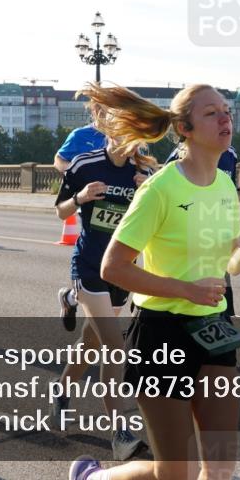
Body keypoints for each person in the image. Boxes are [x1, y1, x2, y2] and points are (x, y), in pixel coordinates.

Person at [69, 83, 240, 480]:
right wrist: (186, 289)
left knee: (220, 471)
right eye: (211, 112)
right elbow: (113, 268)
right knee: (177, 474)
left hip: (214, 329)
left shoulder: (225, 187)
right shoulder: (160, 189)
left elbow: (230, 268)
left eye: (226, 110)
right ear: (185, 128)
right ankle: (93, 478)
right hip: (162, 333)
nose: (225, 117)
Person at [55, 102, 153, 460]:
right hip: (90, 267)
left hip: (121, 270)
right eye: (121, 133)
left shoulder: (144, 171)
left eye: (133, 136)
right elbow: (61, 209)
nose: (126, 142)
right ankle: (120, 433)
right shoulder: (85, 164)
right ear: (109, 132)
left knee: (91, 343)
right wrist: (80, 197)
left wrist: (147, 192)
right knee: (114, 344)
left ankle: (62, 389)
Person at [164, 143, 240, 318]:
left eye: (228, 115)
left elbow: (226, 202)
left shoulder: (230, 154)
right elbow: (167, 195)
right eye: (212, 114)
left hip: (218, 239)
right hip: (189, 241)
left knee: (220, 306)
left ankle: (222, 322)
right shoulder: (182, 153)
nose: (225, 121)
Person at [54, 103, 107, 172]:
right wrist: (77, 172)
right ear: (94, 110)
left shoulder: (123, 137)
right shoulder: (79, 135)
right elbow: (58, 160)